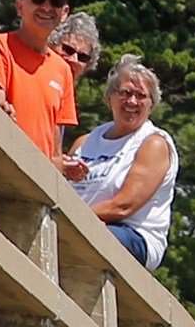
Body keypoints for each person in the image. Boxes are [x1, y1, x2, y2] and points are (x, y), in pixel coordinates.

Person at [64, 57, 175, 265]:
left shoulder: (153, 144)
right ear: (109, 99)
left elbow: (123, 207)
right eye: (125, 93)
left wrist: (69, 218)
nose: (132, 101)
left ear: (151, 106)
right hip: (82, 224)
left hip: (132, 234)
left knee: (87, 241)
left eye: (141, 96)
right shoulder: (84, 143)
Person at [0, 0, 79, 160]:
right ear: (20, 7)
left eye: (55, 2)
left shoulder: (62, 69)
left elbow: (55, 148)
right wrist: (1, 105)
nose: (47, 7)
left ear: (64, 13)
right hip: (2, 167)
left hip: (40, 180)